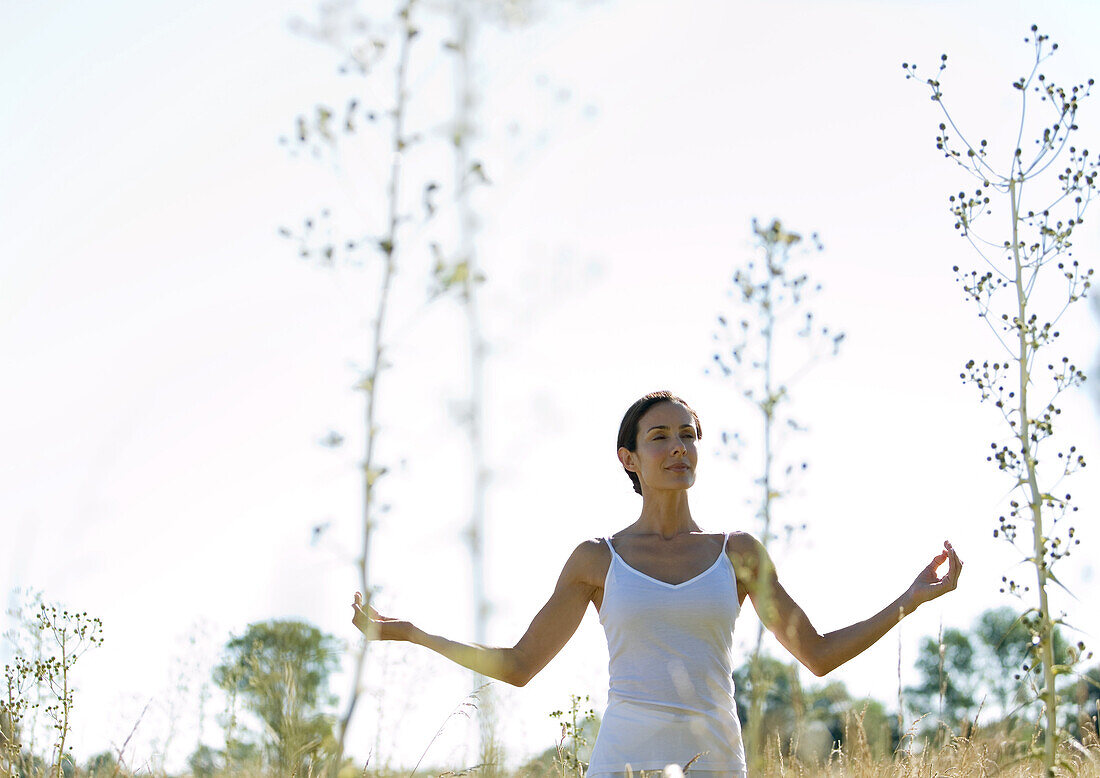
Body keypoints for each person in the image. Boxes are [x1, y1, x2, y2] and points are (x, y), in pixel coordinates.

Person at [351, 390, 963, 777]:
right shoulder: (597, 559)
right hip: (623, 759)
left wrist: (909, 599)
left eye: (689, 435)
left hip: (716, 758)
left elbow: (820, 654)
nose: (679, 448)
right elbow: (518, 665)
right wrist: (410, 634)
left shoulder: (739, 552)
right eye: (660, 437)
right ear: (629, 458)